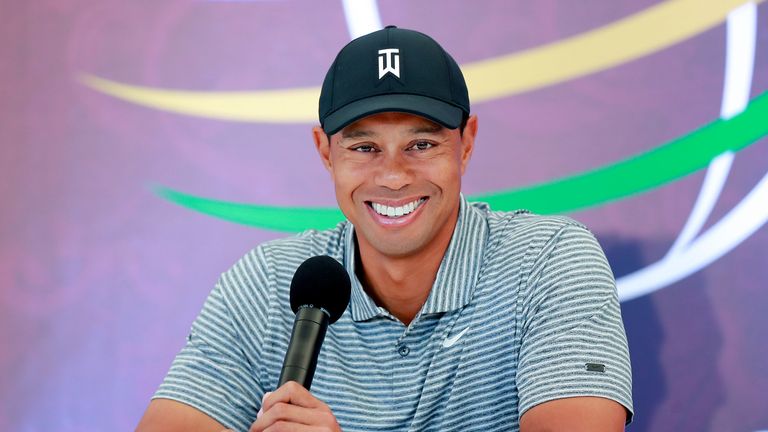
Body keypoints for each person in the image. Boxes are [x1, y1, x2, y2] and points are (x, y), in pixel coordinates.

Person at [136, 26, 633, 431]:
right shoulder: (268, 281)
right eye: (363, 147)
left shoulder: (548, 260)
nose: (393, 176)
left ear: (466, 143)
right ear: (324, 152)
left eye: (421, 145)